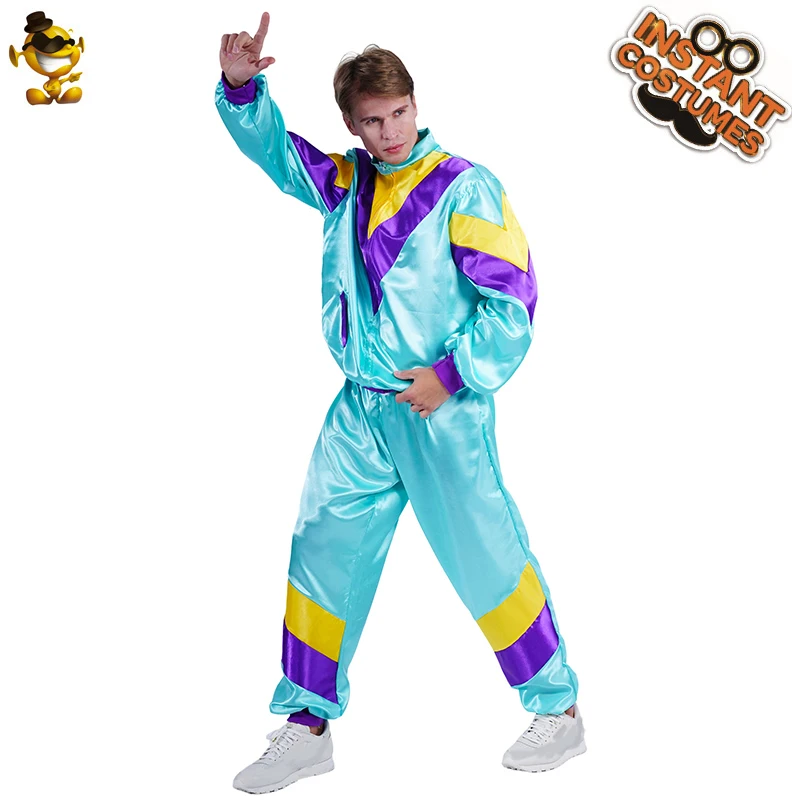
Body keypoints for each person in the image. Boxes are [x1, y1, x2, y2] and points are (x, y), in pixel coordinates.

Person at [216, 11, 585, 794]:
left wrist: (450, 377)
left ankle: (558, 707)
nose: (388, 132)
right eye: (372, 120)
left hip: (439, 410)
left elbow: (513, 302)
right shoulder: (346, 183)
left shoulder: (465, 186)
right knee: (321, 552)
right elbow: (278, 153)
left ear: (415, 104)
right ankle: (308, 724)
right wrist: (242, 89)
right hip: (359, 411)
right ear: (352, 123)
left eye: (399, 113)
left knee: (485, 556)